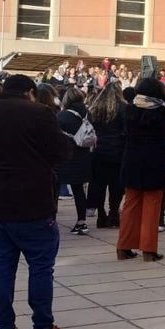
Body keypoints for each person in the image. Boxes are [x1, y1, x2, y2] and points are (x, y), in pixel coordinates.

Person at [0, 74, 77, 329]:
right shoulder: (40, 113)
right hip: (33, 200)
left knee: (1, 267)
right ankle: (43, 328)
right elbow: (61, 153)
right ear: (29, 92)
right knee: (40, 267)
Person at [117, 78, 165, 262]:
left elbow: (124, 131)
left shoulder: (129, 109)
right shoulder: (164, 112)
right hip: (155, 159)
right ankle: (149, 249)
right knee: (152, 205)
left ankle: (123, 247)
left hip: (132, 158)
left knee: (130, 203)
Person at [87, 82, 126, 228]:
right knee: (116, 186)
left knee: (99, 185)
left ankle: (101, 214)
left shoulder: (95, 108)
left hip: (99, 150)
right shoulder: (123, 107)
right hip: (117, 151)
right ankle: (114, 214)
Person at [56, 87, 94, 236]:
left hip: (65, 156)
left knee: (55, 187)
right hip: (83, 156)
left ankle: (51, 219)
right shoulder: (87, 114)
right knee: (78, 190)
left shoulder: (62, 116)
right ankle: (81, 221)